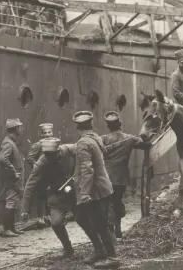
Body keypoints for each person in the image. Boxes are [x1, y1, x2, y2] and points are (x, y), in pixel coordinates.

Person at [71, 111, 118, 268]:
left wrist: (84, 192)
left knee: (99, 222)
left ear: (77, 127)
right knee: (80, 217)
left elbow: (87, 169)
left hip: (93, 190)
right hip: (100, 186)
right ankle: (99, 250)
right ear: (90, 125)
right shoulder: (95, 138)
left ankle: (112, 258)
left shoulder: (83, 143)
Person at [21, 136, 77, 258]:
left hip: (76, 190)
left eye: (52, 155)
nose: (49, 158)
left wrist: (77, 171)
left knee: (86, 219)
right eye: (47, 155)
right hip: (58, 195)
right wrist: (25, 209)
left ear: (58, 151)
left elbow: (85, 151)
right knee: (56, 223)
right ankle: (68, 249)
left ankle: (99, 247)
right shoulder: (42, 162)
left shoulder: (68, 149)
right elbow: (30, 186)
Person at [101, 111, 150, 239]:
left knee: (108, 204)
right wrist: (144, 137)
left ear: (107, 126)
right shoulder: (129, 139)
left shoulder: (103, 139)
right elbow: (146, 145)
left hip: (104, 178)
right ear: (120, 124)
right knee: (117, 202)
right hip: (120, 179)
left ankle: (111, 232)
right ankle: (118, 231)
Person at [0, 118, 25, 237]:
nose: (22, 129)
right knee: (10, 202)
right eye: (20, 127)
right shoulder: (8, 143)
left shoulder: (11, 141)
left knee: (13, 202)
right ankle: (7, 229)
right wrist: (13, 172)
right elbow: (3, 159)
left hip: (14, 180)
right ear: (16, 129)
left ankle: (12, 228)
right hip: (12, 179)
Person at [26, 123, 55, 225]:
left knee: (50, 194)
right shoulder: (38, 145)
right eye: (45, 133)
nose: (47, 134)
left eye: (49, 132)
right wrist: (37, 168)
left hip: (52, 174)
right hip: (42, 175)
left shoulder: (55, 143)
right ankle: (40, 217)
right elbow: (30, 158)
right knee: (41, 196)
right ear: (41, 134)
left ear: (52, 132)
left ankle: (48, 216)